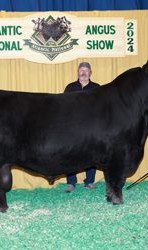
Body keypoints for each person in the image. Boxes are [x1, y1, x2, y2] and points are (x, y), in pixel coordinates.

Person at [64, 62, 100, 193]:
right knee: (71, 153)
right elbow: (63, 107)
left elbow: (101, 107)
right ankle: (71, 182)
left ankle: (89, 181)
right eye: (81, 70)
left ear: (90, 72)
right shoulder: (70, 87)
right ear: (78, 72)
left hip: (91, 127)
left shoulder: (97, 88)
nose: (83, 72)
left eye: (86, 70)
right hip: (73, 126)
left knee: (92, 154)